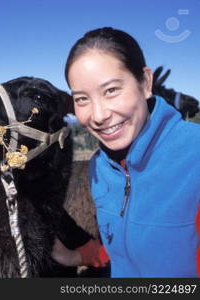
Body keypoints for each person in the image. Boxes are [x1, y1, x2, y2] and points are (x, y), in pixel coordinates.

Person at [52, 27, 200, 277]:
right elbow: (120, 244)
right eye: (82, 99)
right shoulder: (100, 166)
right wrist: (76, 257)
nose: (98, 116)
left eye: (111, 90)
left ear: (145, 82)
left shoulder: (194, 156)